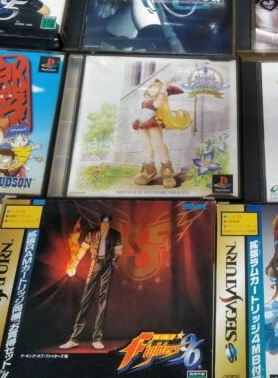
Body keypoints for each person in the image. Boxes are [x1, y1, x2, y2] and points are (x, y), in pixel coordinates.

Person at [60, 214, 123, 350]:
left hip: (107, 264)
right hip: (95, 264)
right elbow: (83, 249)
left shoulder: (115, 234)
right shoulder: (92, 233)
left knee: (102, 300)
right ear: (100, 223)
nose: (106, 224)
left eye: (108, 222)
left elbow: (119, 251)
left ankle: (97, 339)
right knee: (86, 299)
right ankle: (74, 339)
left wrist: (113, 261)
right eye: (103, 222)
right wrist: (75, 262)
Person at [132, 78, 191, 189]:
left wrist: (166, 84)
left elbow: (158, 103)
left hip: (152, 122)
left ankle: (167, 171)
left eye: (157, 88)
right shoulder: (144, 101)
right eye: (152, 87)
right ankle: (149, 170)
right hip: (140, 124)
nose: (153, 89)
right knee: (146, 146)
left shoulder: (158, 100)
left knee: (159, 144)